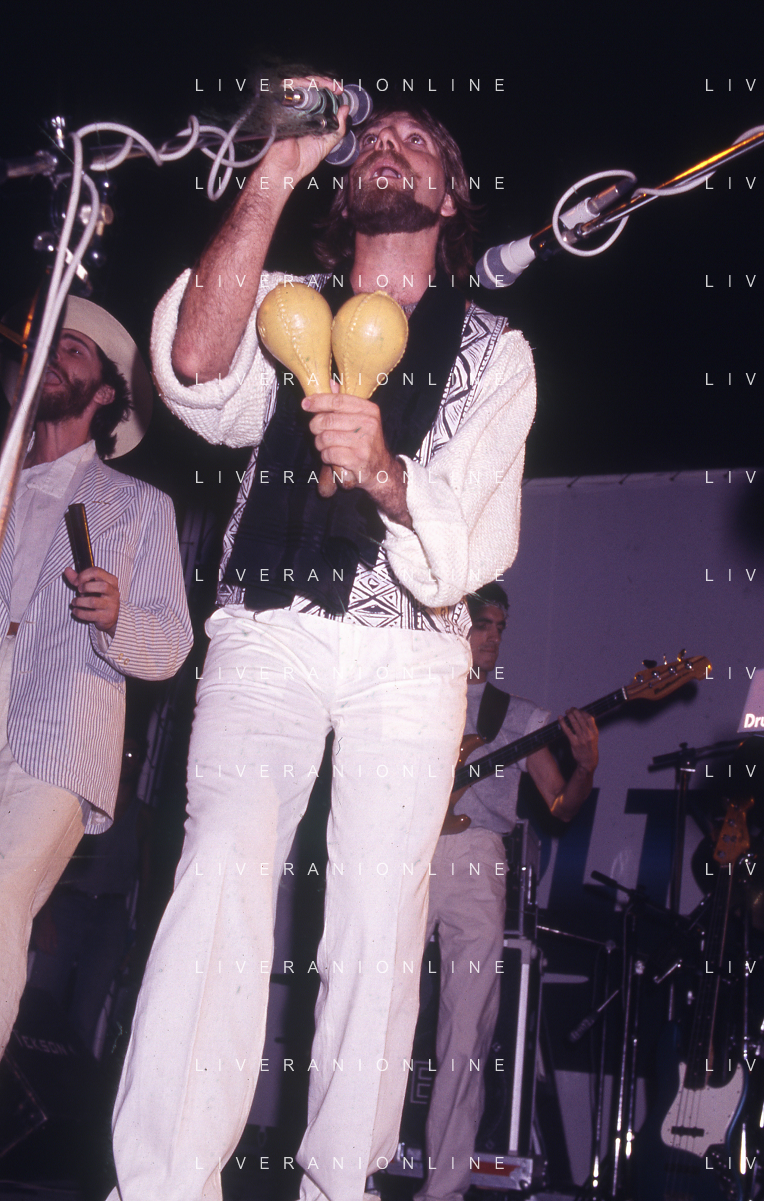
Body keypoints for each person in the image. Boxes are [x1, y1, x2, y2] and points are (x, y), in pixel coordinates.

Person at [109, 81, 537, 1201]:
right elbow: (194, 368)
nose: (388, 144)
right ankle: (160, 1185)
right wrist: (276, 170)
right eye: (373, 139)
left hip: (412, 650)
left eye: (417, 142)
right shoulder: (283, 302)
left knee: (376, 918)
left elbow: (474, 544)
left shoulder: (497, 351)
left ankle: (338, 1185)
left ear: (451, 197)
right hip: (269, 630)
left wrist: (389, 476)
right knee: (220, 864)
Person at [0, 296, 193, 1059]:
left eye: (75, 350)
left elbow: (170, 644)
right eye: (50, 345)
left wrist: (117, 615)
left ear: (106, 391)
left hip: (55, 743)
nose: (55, 355)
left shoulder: (138, 505)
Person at [417, 582, 599, 1201]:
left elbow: (560, 805)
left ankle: (443, 1190)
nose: (492, 636)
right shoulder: (412, 695)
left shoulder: (518, 716)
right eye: (482, 624)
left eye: (500, 627)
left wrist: (585, 767)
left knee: (466, 1029)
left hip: (476, 858)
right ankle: (350, 1172)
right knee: (378, 1008)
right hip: (407, 850)